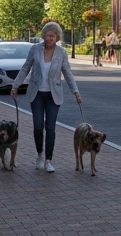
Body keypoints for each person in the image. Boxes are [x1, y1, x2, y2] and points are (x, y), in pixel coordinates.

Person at [10, 21, 82, 172]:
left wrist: (75, 92)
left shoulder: (61, 53)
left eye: (53, 36)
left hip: (53, 95)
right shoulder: (35, 49)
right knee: (38, 126)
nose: (50, 38)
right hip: (36, 93)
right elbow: (25, 67)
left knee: (50, 128)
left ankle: (49, 160)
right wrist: (15, 85)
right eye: (48, 35)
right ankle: (39, 155)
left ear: (57, 37)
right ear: (43, 36)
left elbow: (67, 73)